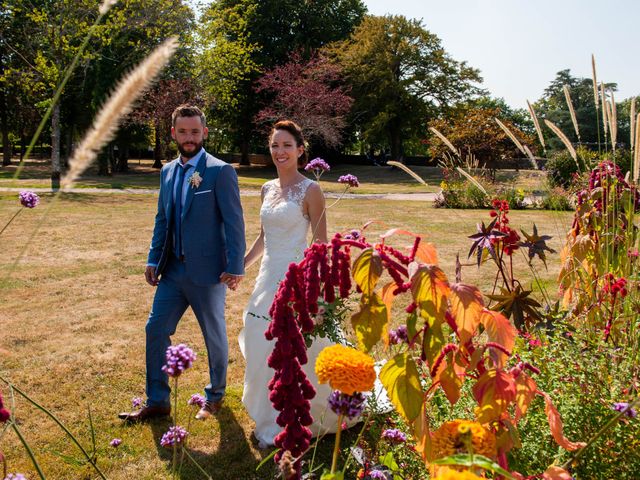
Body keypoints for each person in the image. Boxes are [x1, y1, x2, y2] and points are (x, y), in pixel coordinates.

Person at [119, 105, 246, 422]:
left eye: (195, 131)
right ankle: (158, 400)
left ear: (204, 132)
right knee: (155, 329)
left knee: (213, 335)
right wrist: (153, 256)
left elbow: (234, 223)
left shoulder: (220, 171)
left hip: (208, 272)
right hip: (172, 270)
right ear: (173, 133)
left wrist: (235, 266)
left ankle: (215, 395)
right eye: (183, 131)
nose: (189, 138)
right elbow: (163, 218)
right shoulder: (167, 171)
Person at [239, 120, 351, 449]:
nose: (280, 151)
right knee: (262, 340)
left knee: (302, 348)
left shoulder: (311, 190)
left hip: (297, 278)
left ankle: (316, 413)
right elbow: (263, 236)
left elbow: (320, 243)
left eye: (287, 145)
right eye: (275, 145)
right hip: (267, 277)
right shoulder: (266, 189)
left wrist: (314, 295)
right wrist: (241, 265)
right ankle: (269, 413)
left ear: (300, 150)